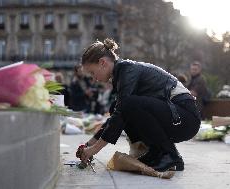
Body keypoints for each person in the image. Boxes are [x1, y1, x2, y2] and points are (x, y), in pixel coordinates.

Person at [77, 38, 201, 172]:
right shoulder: (121, 74)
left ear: (102, 63)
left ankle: (170, 156)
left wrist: (94, 149)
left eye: (92, 73)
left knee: (127, 105)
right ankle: (156, 152)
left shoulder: (127, 70)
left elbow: (122, 112)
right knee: (117, 107)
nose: (94, 78)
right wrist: (88, 145)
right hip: (177, 116)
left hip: (185, 118)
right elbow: (118, 114)